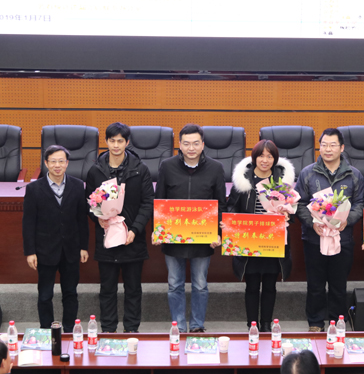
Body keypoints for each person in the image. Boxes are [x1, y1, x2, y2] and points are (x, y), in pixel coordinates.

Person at [155, 124, 226, 333]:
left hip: (202, 238)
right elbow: (159, 201)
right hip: (173, 238)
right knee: (174, 284)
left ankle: (196, 326)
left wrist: (218, 233)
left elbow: (221, 204)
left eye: (195, 143)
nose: (191, 148)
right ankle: (178, 326)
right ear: (179, 144)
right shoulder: (167, 166)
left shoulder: (215, 168)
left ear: (203, 144)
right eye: (186, 143)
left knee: (200, 284)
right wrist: (157, 230)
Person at [295, 128, 364, 332]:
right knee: (315, 284)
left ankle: (337, 321)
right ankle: (315, 322)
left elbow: (360, 204)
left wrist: (347, 220)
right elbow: (299, 204)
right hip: (314, 238)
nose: (328, 149)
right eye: (324, 145)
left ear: (341, 148)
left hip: (342, 238)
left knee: (338, 284)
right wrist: (312, 222)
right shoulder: (308, 173)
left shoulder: (354, 174)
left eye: (333, 145)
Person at [86, 122, 154, 333]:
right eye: (112, 141)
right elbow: (89, 202)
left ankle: (132, 329)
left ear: (127, 142)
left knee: (133, 289)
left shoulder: (140, 170)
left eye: (120, 141)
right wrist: (98, 218)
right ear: (106, 142)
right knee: (107, 289)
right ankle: (108, 329)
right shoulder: (96, 170)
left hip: (132, 238)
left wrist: (134, 229)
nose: (116, 145)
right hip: (106, 238)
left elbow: (148, 203)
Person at [225, 140, 295, 332]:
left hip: (273, 240)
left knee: (270, 286)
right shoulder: (243, 180)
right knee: (252, 286)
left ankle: (266, 325)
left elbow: (292, 209)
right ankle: (252, 325)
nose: (265, 160)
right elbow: (231, 207)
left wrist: (288, 214)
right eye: (261, 156)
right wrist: (230, 222)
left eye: (269, 156)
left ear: (275, 159)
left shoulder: (281, 180)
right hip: (250, 240)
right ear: (254, 157)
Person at [22, 145, 89, 333]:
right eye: (53, 161)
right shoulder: (34, 189)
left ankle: (69, 331)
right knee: (45, 295)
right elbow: (28, 223)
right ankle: (46, 331)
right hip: (45, 250)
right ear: (46, 163)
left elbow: (81, 220)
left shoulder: (78, 186)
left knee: (70, 293)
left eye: (61, 161)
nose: (57, 165)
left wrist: (83, 247)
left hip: (71, 249)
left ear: (67, 163)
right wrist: (30, 252)